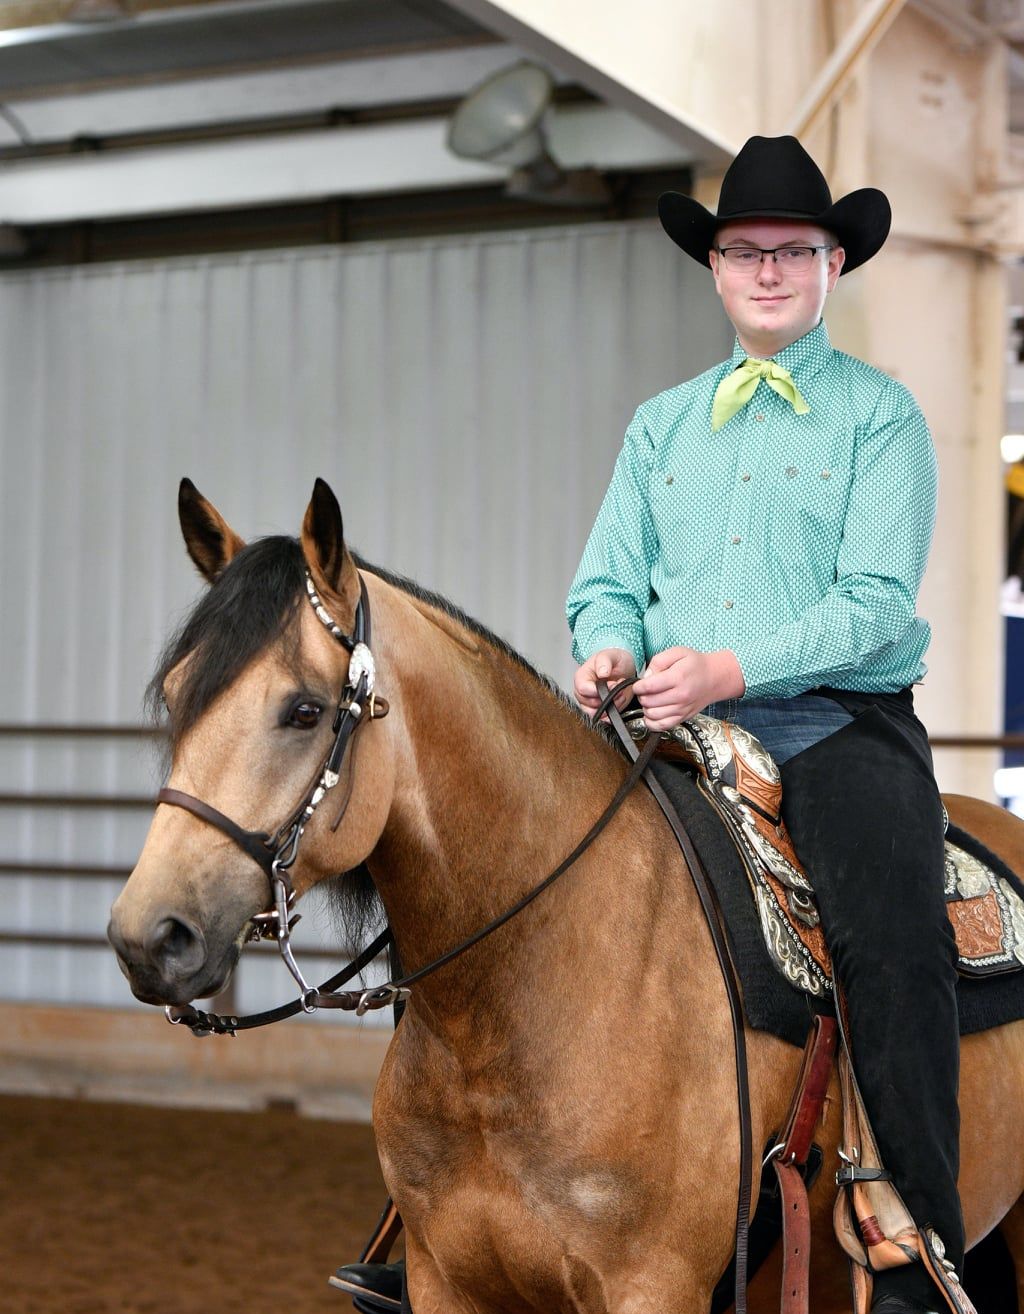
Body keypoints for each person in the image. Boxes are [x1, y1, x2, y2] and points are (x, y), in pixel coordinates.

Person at [567, 134, 961, 1314]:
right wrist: (608, 645)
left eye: (794, 250)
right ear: (716, 268)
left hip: (835, 728)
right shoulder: (659, 425)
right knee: (525, 886)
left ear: (835, 263)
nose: (769, 270)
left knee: (892, 944)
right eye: (746, 251)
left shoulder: (880, 417)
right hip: (670, 726)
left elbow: (875, 602)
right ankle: (443, 1204)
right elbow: (607, 581)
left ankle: (918, 1242)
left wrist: (729, 668)